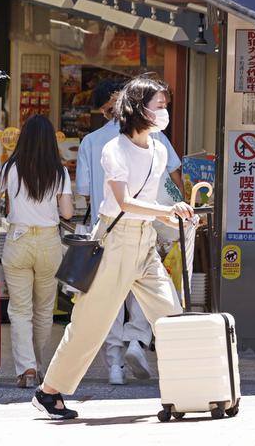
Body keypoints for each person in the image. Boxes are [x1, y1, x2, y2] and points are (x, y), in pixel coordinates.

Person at [35, 76, 190, 420]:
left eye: (166, 104)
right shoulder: (113, 149)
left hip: (144, 239)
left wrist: (179, 216)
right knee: (92, 322)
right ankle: (50, 390)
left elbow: (153, 199)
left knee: (171, 315)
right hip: (115, 239)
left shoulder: (160, 147)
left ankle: (186, 389)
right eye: (159, 105)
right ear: (139, 108)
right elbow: (123, 201)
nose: (165, 111)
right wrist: (167, 212)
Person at [75, 77, 184, 385]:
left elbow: (84, 189)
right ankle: (137, 340)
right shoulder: (156, 139)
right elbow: (172, 178)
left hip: (108, 227)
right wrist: (176, 209)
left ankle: (114, 365)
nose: (162, 111)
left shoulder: (92, 142)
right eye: (159, 105)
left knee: (108, 301)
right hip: (144, 225)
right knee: (144, 294)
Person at [0, 115, 74, 388]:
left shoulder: (9, 169)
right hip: (49, 242)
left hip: (18, 241)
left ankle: (26, 368)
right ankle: (40, 368)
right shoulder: (60, 172)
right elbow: (67, 212)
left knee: (19, 310)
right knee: (43, 310)